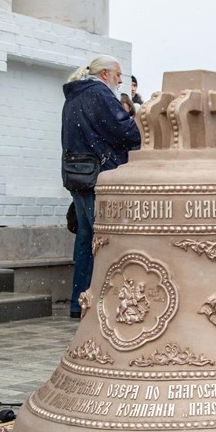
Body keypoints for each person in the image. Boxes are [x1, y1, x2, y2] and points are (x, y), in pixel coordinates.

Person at [61, 56, 141, 319]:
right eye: (118, 75)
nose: (120, 80)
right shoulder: (99, 94)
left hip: (78, 175)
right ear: (105, 73)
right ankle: (97, 301)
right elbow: (127, 132)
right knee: (103, 239)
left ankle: (79, 301)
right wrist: (136, 119)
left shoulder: (74, 95)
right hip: (99, 176)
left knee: (86, 238)